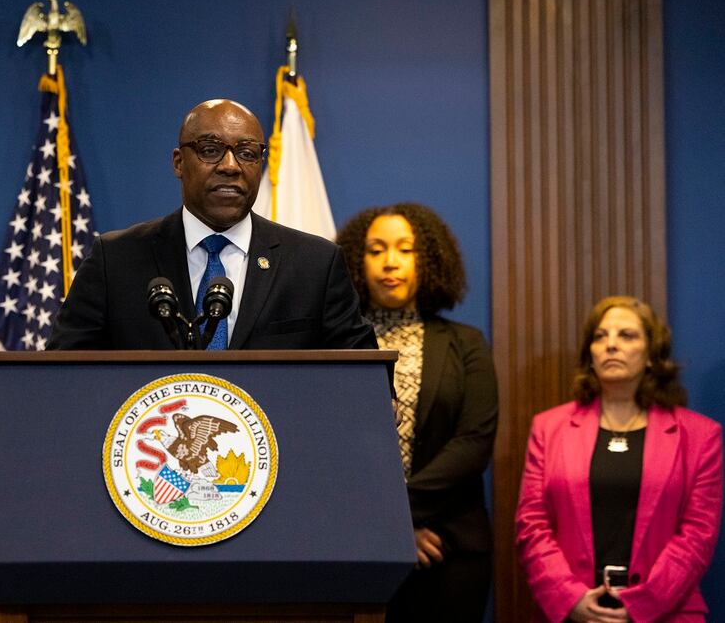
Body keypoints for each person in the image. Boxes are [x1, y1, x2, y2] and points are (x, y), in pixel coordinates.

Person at [46, 98, 376, 350]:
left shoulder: (314, 264)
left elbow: (361, 380)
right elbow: (63, 374)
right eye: (210, 150)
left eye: (247, 153)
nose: (230, 166)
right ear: (179, 162)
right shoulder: (115, 260)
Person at [336, 203, 499, 622]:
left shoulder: (466, 343)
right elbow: (326, 449)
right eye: (376, 250)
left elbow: (474, 442)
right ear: (356, 260)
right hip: (353, 546)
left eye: (405, 250)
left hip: (448, 548)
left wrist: (398, 515)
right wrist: (391, 527)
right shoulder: (334, 346)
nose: (390, 262)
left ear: (428, 260)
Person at [516, 296, 722, 623]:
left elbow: (698, 535)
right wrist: (570, 598)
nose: (611, 345)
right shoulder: (549, 428)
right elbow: (532, 524)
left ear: (652, 356)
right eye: (600, 336)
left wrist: (642, 604)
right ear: (590, 355)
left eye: (626, 335)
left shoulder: (700, 436)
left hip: (668, 613)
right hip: (577, 611)